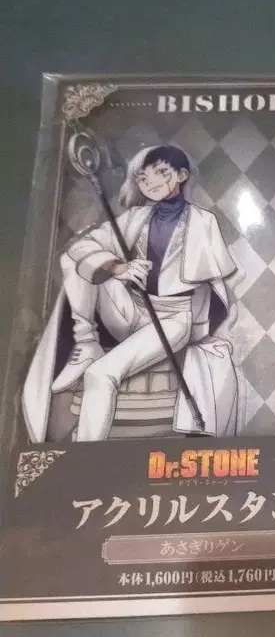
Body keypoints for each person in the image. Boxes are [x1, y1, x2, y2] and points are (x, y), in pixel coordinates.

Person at [22, 144, 240, 442]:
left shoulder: (203, 221)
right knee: (78, 261)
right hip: (131, 309)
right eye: (143, 177)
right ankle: (87, 343)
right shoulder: (136, 217)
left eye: (161, 172)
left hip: (173, 320)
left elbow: (211, 285)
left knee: (99, 374)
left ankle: (85, 455)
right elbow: (79, 248)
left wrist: (207, 333)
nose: (152, 182)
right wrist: (116, 267)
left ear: (181, 175)